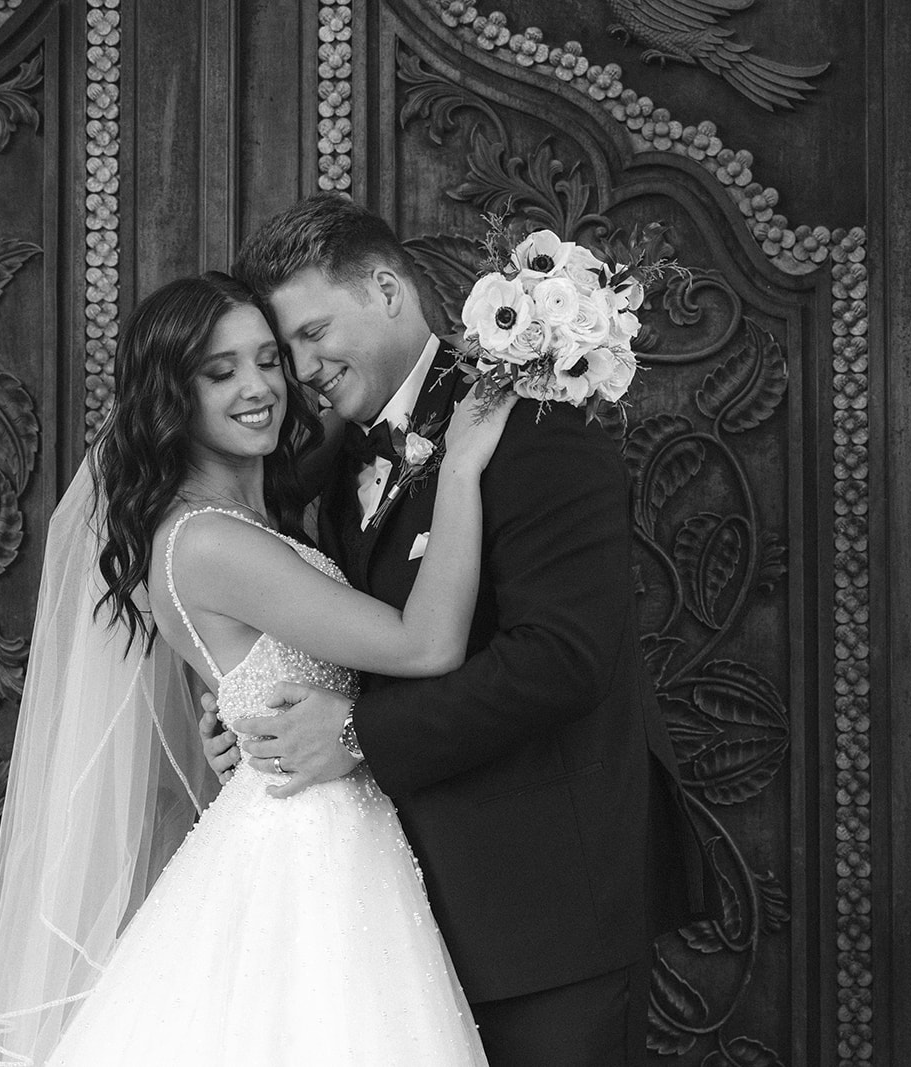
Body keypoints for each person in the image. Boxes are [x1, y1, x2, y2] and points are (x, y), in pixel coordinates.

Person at [200, 194, 701, 1066]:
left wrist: (354, 733)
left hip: (546, 915)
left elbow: (563, 659)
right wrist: (267, 721)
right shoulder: (342, 462)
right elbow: (369, 648)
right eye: (289, 348)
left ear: (388, 291)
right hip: (402, 922)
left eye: (315, 332)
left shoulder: (530, 418)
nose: (302, 369)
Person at [0, 270, 514, 1065]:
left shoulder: (251, 512)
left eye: (268, 359)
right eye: (220, 372)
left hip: (329, 825)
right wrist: (461, 469)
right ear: (173, 398)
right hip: (307, 846)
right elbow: (425, 646)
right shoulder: (210, 541)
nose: (259, 386)